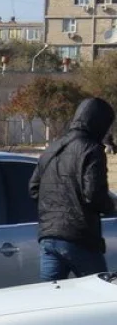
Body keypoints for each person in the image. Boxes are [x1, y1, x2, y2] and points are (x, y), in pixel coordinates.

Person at [30, 96, 116, 281]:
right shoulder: (91, 149)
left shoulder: (52, 148)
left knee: (52, 293)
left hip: (48, 236)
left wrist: (54, 208)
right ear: (99, 123)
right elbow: (93, 195)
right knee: (98, 293)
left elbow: (34, 188)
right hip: (80, 237)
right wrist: (111, 207)